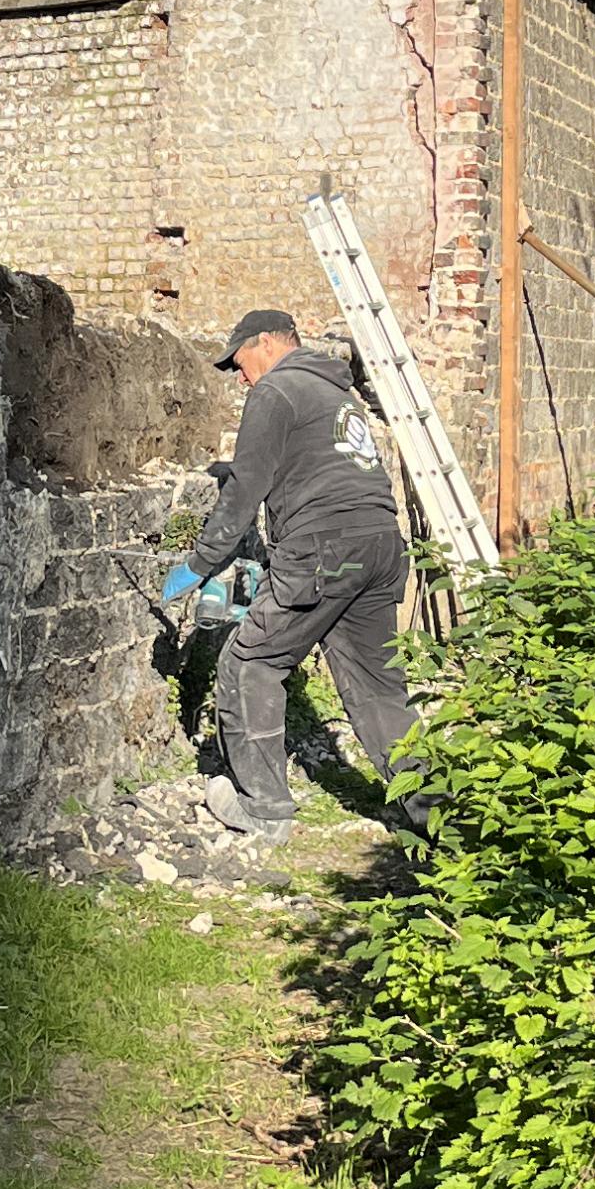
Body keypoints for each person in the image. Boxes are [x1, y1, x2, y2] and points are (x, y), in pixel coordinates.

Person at [161, 307, 423, 841]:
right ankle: (439, 812)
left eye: (239, 363)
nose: (240, 378)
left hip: (324, 550)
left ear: (266, 343)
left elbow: (246, 488)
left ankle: (264, 809)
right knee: (379, 688)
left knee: (250, 661)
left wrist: (200, 561)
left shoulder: (276, 391)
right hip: (379, 545)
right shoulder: (338, 395)